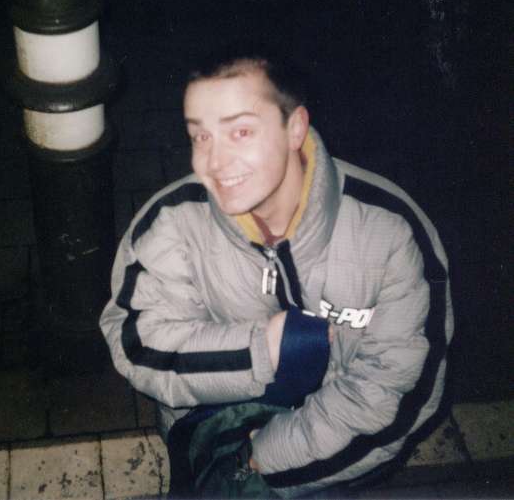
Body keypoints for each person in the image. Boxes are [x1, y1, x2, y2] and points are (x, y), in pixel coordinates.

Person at [99, 46, 453, 498]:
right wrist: (260, 350)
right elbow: (140, 343)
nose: (214, 162)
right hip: (210, 443)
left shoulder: (390, 232)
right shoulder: (173, 220)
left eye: (241, 131)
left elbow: (399, 389)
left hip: (329, 460)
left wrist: (262, 458)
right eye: (201, 136)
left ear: (295, 128)